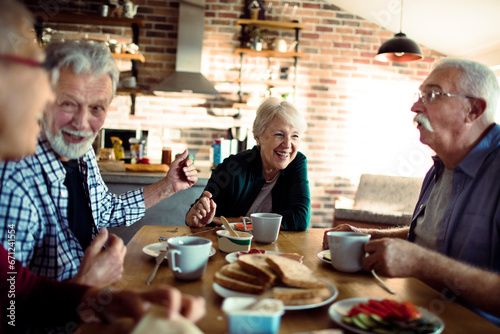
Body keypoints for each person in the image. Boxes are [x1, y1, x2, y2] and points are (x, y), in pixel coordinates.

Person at [0, 0, 205, 332]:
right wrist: (86, 284)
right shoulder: (14, 179)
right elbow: (10, 307)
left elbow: (105, 210)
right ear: (41, 97)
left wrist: (168, 185)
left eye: (96, 107)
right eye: (68, 104)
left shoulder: (81, 155)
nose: (82, 123)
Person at [323, 58, 500, 325]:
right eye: (420, 95)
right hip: (417, 315)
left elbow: (423, 258)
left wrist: (422, 264)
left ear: (473, 109)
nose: (415, 107)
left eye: (432, 95)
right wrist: (367, 236)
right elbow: (429, 236)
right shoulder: (439, 167)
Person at [185, 97, 310, 231]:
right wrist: (197, 216)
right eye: (279, 134)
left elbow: (301, 219)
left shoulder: (296, 162)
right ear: (258, 137)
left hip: (278, 248)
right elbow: (194, 216)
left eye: (295, 136)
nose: (287, 144)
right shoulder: (233, 167)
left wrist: (240, 221)